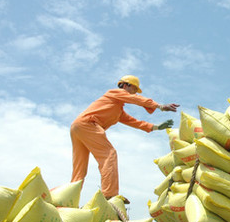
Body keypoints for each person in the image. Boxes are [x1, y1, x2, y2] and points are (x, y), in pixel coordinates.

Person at [70, 75, 179, 203]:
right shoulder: (114, 93)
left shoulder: (117, 109)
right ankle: (109, 195)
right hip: (87, 124)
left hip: (77, 127)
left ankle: (69, 197)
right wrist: (159, 106)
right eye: (134, 89)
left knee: (80, 169)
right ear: (126, 85)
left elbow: (134, 122)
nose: (134, 92)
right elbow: (134, 99)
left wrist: (155, 127)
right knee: (109, 154)